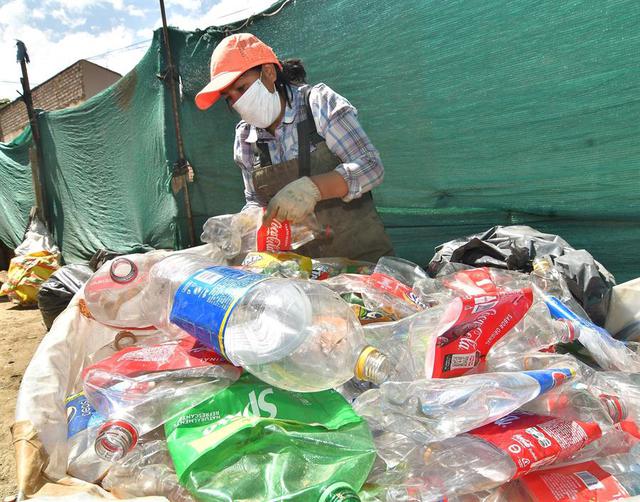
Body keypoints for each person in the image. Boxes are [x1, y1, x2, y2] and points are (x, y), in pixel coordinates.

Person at [195, 33, 394, 261]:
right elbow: (255, 201)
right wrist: (243, 225)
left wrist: (313, 188)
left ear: (268, 73)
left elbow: (371, 166)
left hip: (361, 262)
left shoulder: (317, 103)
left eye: (241, 88)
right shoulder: (245, 137)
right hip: (301, 272)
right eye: (228, 97)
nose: (237, 102)